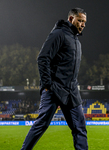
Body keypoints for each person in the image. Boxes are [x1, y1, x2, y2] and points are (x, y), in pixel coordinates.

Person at [21, 8, 88, 150]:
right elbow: (42, 58)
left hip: (72, 91)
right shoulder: (59, 34)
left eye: (84, 22)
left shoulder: (77, 41)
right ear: (71, 19)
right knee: (42, 124)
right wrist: (47, 84)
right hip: (54, 89)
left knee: (80, 128)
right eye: (80, 20)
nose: (83, 24)